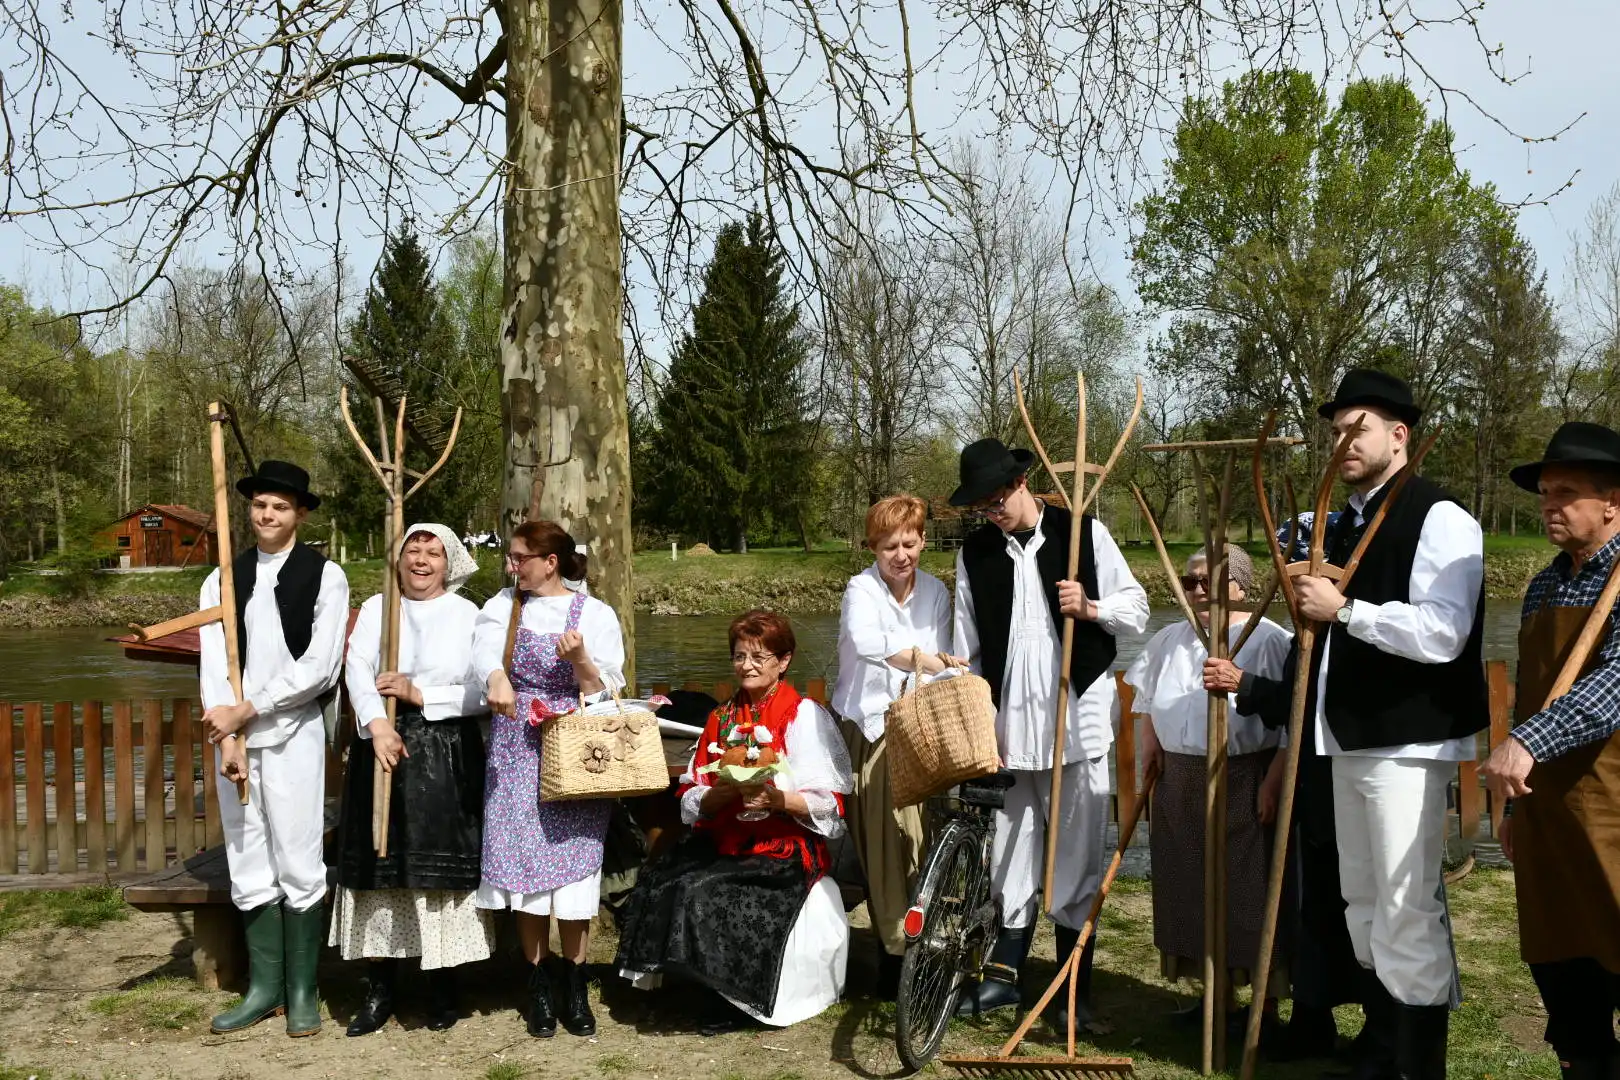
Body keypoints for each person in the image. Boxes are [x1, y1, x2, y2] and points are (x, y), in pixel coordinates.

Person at [1228, 369, 1483, 1080]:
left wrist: (1345, 610)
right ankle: (1386, 1047)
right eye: (1334, 428)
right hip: (1348, 739)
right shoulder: (1351, 520)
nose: (1340, 440)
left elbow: (1444, 633)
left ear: (1399, 436)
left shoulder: (1438, 516)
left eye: (1356, 426)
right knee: (1362, 906)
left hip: (1407, 739)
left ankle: (1418, 1066)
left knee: (1404, 907)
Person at [948, 438, 1150, 1029]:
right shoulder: (976, 554)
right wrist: (973, 713)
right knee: (1009, 857)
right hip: (1010, 729)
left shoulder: (1084, 533)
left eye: (996, 500)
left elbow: (1135, 607)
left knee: (1074, 862)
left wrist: (1089, 607)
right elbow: (967, 644)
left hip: (1075, 723)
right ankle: (1005, 980)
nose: (992, 511)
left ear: (1021, 485)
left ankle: (1070, 996)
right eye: (982, 506)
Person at [615, 609, 854, 1034]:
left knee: (711, 889)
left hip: (783, 847)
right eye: (740, 656)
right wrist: (717, 794)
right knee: (666, 875)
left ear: (783, 661)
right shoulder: (720, 718)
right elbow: (691, 795)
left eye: (759, 657)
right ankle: (690, 982)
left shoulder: (802, 717)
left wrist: (778, 799)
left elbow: (829, 803)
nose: (747, 665)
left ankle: (738, 998)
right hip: (725, 836)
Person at [1481, 423, 1620, 1080]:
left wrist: (1527, 742)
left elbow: (1617, 683)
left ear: (1612, 503)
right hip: (1547, 815)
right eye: (1545, 493)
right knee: (1567, 984)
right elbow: (1535, 696)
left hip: (1613, 813)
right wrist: (1515, 813)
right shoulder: (1541, 586)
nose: (1549, 504)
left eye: (1567, 492)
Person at [199, 460, 349, 1037]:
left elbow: (319, 667)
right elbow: (215, 665)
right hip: (234, 741)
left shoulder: (325, 575)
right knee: (247, 855)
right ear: (249, 509)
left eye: (281, 506)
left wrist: (252, 707)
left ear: (301, 513)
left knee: (298, 856)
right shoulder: (222, 579)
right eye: (261, 504)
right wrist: (229, 731)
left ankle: (302, 990)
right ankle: (263, 990)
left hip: (293, 736)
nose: (268, 515)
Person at [330, 523, 493, 1036]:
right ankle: (380, 987)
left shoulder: (470, 615)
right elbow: (356, 668)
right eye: (412, 550)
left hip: (444, 752)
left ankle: (443, 984)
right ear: (398, 559)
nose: (421, 560)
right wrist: (378, 723)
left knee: (436, 867)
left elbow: (484, 692)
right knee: (381, 863)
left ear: (450, 563)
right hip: (381, 743)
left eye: (433, 552)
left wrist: (420, 694)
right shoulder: (379, 608)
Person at [1125, 545, 1290, 1034]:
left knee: (1249, 890)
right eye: (1190, 581)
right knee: (1189, 884)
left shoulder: (1268, 640)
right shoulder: (1171, 637)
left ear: (1239, 585)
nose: (1197, 590)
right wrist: (1151, 747)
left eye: (1210, 582)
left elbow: (1291, 722)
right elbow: (1145, 699)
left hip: (1246, 774)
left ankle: (1263, 1005)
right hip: (1180, 776)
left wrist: (1275, 779)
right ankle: (1215, 997)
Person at [472, 521, 626, 1039]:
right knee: (525, 867)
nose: (512, 567)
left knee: (575, 870)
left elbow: (607, 691)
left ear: (550, 561)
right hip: (516, 749)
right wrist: (495, 677)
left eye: (519, 558)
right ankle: (538, 983)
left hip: (575, 751)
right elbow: (485, 657)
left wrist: (581, 658)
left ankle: (575, 983)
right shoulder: (504, 608)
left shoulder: (595, 614)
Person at [832, 494, 961, 998]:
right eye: (889, 546)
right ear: (873, 547)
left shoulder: (936, 593)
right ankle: (893, 956)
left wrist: (937, 667)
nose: (901, 554)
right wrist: (928, 661)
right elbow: (868, 644)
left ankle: (925, 942)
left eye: (910, 543)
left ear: (923, 541)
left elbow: (950, 654)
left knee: (922, 840)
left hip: (921, 728)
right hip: (872, 727)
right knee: (885, 840)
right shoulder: (859, 589)